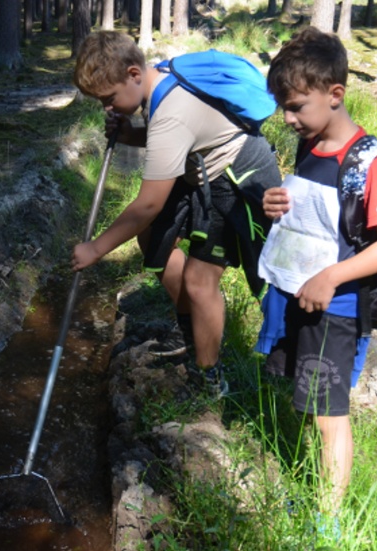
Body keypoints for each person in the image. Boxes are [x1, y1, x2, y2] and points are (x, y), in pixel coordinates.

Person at [259, 26, 377, 535]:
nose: (288, 118)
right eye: (284, 106)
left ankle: (328, 521)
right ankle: (313, 483)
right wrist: (274, 203)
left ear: (335, 94)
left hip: (338, 309)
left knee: (330, 416)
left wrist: (332, 276)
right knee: (305, 401)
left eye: (298, 106)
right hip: (300, 298)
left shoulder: (367, 164)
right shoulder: (311, 145)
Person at [71, 31, 282, 395]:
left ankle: (210, 375)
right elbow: (173, 141)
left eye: (109, 98)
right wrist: (129, 134)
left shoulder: (171, 111)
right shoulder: (160, 81)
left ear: (134, 73)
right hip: (199, 173)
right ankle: (191, 332)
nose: (107, 107)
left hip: (234, 181)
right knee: (153, 237)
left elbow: (148, 204)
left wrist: (95, 249)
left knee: (200, 281)